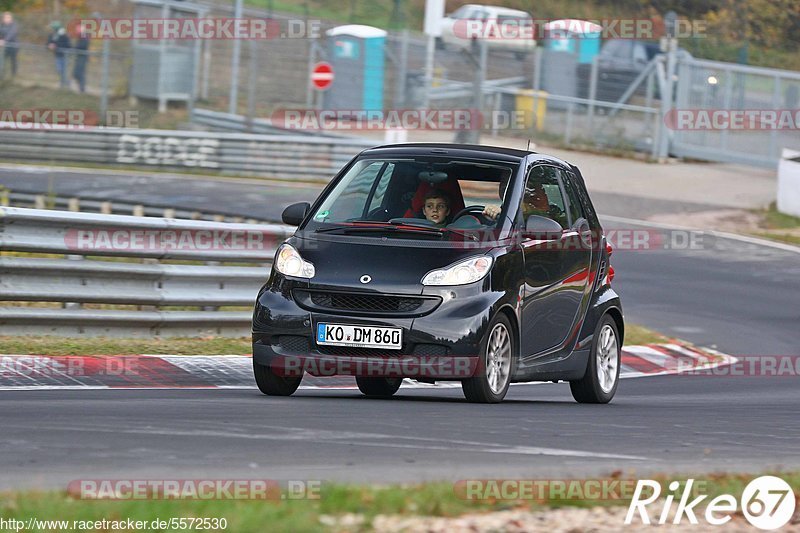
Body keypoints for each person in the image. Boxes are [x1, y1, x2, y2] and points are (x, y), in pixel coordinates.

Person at [47, 21, 71, 89]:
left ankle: (64, 84)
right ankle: (65, 83)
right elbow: (48, 43)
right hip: (57, 56)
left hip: (65, 56)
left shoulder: (64, 35)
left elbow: (68, 45)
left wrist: (56, 46)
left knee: (64, 70)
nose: (52, 29)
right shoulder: (52, 35)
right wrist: (49, 45)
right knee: (59, 70)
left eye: (53, 28)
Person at [0, 12, 19, 79]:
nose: (7, 19)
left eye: (8, 17)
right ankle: (2, 75)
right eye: (5, 17)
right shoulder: (2, 25)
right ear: (3, 18)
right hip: (6, 47)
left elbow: (11, 33)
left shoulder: (14, 25)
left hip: (14, 46)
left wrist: (4, 40)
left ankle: (14, 75)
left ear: (11, 18)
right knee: (2, 60)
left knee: (13, 61)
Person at [72, 22, 89, 93]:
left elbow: (82, 46)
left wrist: (75, 48)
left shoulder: (84, 37)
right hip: (79, 56)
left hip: (83, 57)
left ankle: (82, 89)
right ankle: (80, 87)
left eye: (78, 31)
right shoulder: (80, 38)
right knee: (76, 73)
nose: (77, 32)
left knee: (80, 73)